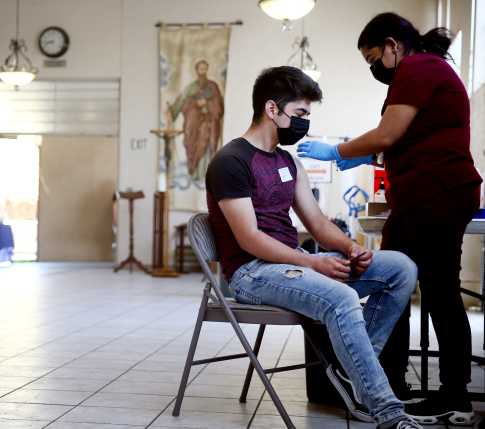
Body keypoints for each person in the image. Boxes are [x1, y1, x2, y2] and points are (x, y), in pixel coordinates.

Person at [206, 66, 421, 429]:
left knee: (401, 268)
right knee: (341, 298)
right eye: (301, 114)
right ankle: (388, 412)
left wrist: (351, 249)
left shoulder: (288, 162)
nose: (304, 123)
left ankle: (350, 369)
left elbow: (319, 225)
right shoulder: (231, 161)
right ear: (272, 110)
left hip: (293, 265)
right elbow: (250, 239)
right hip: (251, 273)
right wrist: (312, 264)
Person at [297, 13, 482, 426]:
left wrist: (337, 151)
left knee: (439, 293)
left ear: (392, 45)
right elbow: (402, 139)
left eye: (372, 57)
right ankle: (390, 386)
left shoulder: (419, 66)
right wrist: (366, 155)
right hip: (417, 196)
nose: (373, 67)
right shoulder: (421, 71)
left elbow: (387, 134)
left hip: (437, 191)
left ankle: (456, 397)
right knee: (392, 279)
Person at [169, 60, 224, 180]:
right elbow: (181, 100)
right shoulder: (191, 87)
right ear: (196, 71)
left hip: (209, 122)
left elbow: (219, 103)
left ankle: (205, 174)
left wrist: (208, 103)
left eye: (205, 69)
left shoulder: (213, 86)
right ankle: (193, 173)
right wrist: (172, 110)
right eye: (200, 69)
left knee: (206, 145)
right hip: (194, 123)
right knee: (193, 145)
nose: (202, 71)